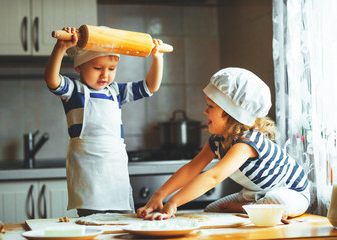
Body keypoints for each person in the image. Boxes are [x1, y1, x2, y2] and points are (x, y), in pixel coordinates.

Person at [137, 67, 310, 220]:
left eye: (210, 106)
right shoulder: (216, 141)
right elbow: (191, 168)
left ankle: (252, 209)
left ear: (230, 113)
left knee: (276, 201)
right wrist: (160, 195)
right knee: (212, 210)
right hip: (254, 195)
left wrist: (173, 203)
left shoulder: (246, 142)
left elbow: (214, 176)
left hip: (293, 193)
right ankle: (253, 208)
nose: (205, 111)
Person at [44, 27, 164, 216]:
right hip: (88, 175)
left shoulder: (115, 91)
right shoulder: (74, 91)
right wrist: (60, 48)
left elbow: (151, 86)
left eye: (111, 69)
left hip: (115, 172)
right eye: (97, 68)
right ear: (79, 67)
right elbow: (52, 80)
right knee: (93, 225)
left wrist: (157, 58)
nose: (105, 75)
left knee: (124, 226)